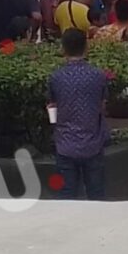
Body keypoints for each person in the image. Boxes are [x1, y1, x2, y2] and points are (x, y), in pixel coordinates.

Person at [47, 29, 109, 200]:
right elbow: (102, 106)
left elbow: (52, 106)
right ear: (86, 47)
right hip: (93, 141)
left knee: (66, 196)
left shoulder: (56, 77)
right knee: (96, 195)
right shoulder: (98, 75)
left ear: (63, 48)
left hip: (65, 143)